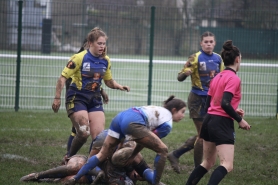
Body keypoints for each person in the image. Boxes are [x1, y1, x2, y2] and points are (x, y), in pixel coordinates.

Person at [62, 95, 187, 185]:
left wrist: (130, 152)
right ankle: (156, 182)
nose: (183, 116)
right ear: (174, 110)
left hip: (122, 116)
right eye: (182, 112)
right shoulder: (167, 123)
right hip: (133, 121)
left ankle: (76, 178)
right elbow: (143, 140)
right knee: (163, 150)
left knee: (101, 155)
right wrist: (133, 154)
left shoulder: (159, 110)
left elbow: (140, 137)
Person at [52, 27, 130, 158]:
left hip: (94, 99)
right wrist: (57, 98)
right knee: (83, 132)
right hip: (77, 97)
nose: (102, 46)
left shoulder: (106, 60)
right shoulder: (79, 58)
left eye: (104, 43)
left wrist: (119, 86)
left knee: (100, 138)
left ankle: (90, 163)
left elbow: (108, 81)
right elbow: (62, 78)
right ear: (90, 43)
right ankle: (68, 157)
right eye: (99, 43)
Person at [185, 40, 251, 185]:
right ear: (237, 59)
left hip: (208, 120)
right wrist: (240, 120)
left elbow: (210, 104)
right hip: (221, 123)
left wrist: (232, 111)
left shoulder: (217, 77)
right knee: (227, 164)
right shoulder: (234, 78)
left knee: (207, 162)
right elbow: (224, 103)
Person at [167, 31, 224, 173]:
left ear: (214, 43)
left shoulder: (218, 59)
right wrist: (185, 74)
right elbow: (179, 77)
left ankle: (175, 154)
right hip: (197, 100)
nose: (209, 44)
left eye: (211, 42)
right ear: (201, 43)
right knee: (203, 135)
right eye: (206, 42)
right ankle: (198, 168)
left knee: (206, 133)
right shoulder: (195, 57)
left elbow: (222, 77)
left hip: (212, 100)